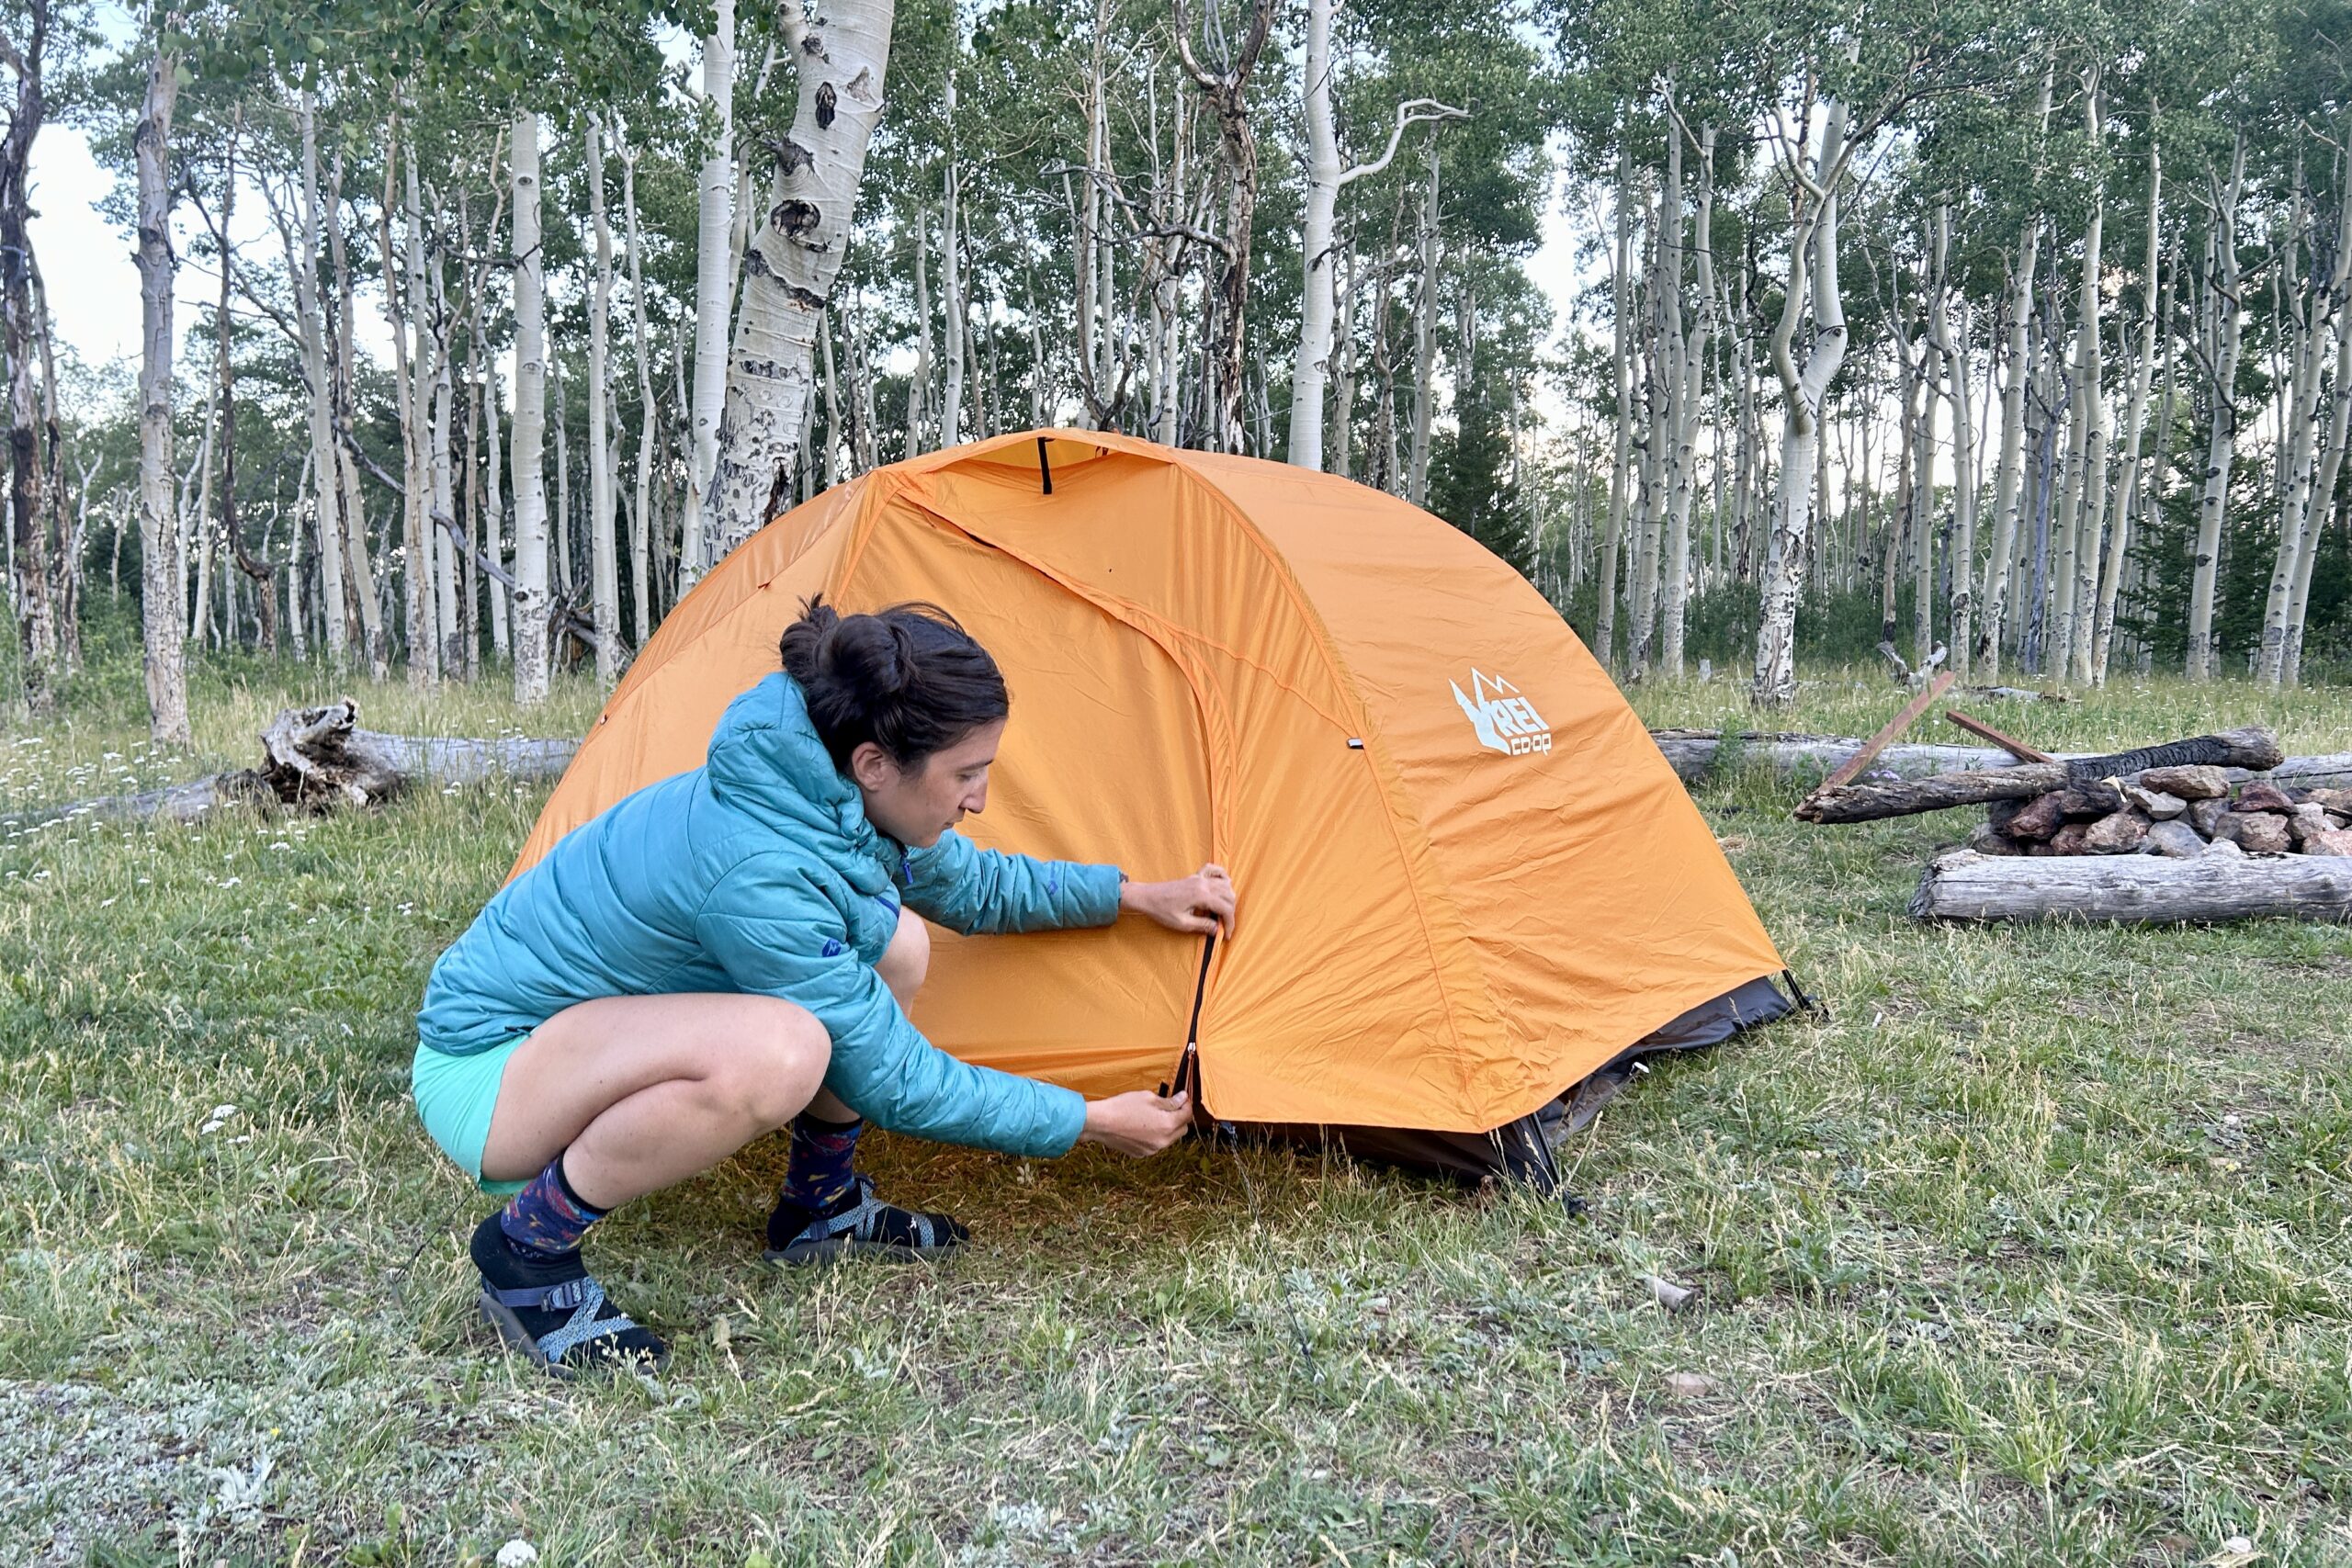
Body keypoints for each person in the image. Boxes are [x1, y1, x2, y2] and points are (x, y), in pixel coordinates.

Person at [412, 598, 1238, 1375]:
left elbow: (973, 889)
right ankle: (528, 1250)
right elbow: (900, 1082)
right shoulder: (762, 866)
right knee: (787, 1050)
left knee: (899, 942)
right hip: (492, 1070)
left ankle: (821, 1205)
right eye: (966, 775)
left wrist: (1133, 895)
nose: (980, 799)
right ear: (876, 763)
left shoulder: (829, 795)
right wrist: (1089, 1120)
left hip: (582, 1039)